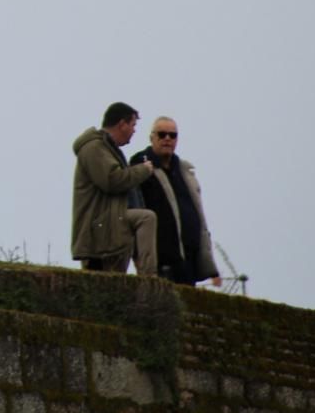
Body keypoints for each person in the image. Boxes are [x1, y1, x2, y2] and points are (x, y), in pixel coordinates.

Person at [130, 116, 221, 287]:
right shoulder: (140, 166)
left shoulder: (184, 171)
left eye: (172, 135)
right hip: (160, 261)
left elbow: (200, 217)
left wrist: (210, 267)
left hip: (188, 261)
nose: (167, 139)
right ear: (152, 138)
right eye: (162, 134)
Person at [70, 102, 159, 274]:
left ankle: (146, 276)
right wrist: (143, 170)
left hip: (111, 224)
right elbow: (112, 180)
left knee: (114, 282)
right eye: (133, 125)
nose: (134, 130)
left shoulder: (108, 149)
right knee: (146, 218)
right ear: (122, 124)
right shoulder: (94, 148)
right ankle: (149, 278)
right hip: (99, 229)